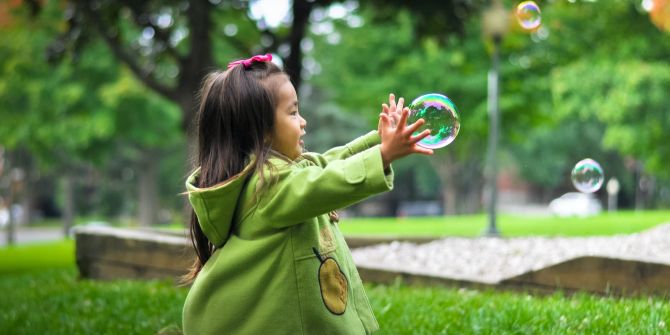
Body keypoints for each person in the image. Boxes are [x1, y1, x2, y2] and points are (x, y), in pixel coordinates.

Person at [181, 53, 433, 335]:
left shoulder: (279, 175)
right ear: (262, 131)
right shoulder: (268, 187)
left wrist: (379, 141)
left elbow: (327, 163)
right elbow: (325, 181)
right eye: (292, 112)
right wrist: (383, 154)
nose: (303, 122)